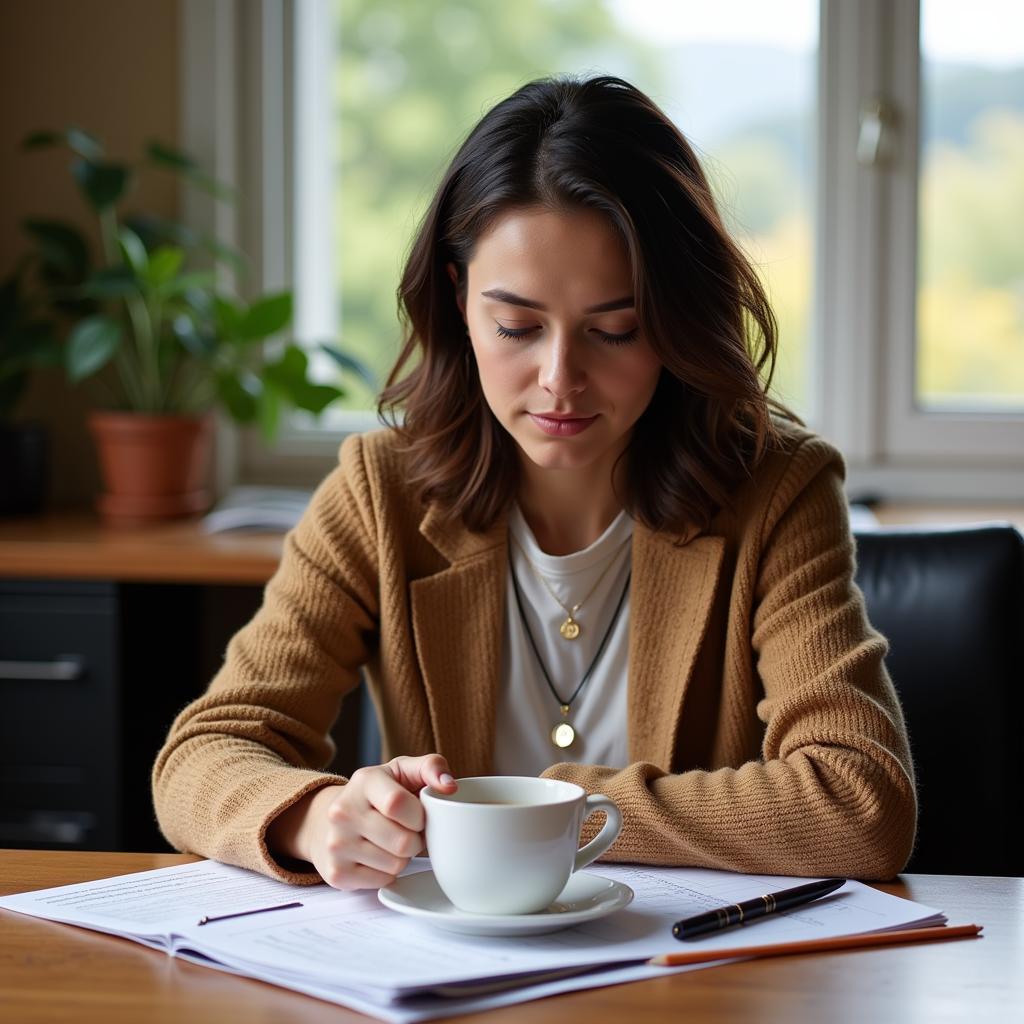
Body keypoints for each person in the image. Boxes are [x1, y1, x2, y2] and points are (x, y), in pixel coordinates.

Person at [152, 74, 917, 891]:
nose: (560, 379)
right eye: (517, 326)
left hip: (685, 981)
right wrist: (312, 815)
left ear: (675, 319)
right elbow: (202, 755)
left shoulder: (779, 490)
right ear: (457, 300)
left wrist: (558, 809)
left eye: (614, 330)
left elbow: (860, 803)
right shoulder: (380, 492)